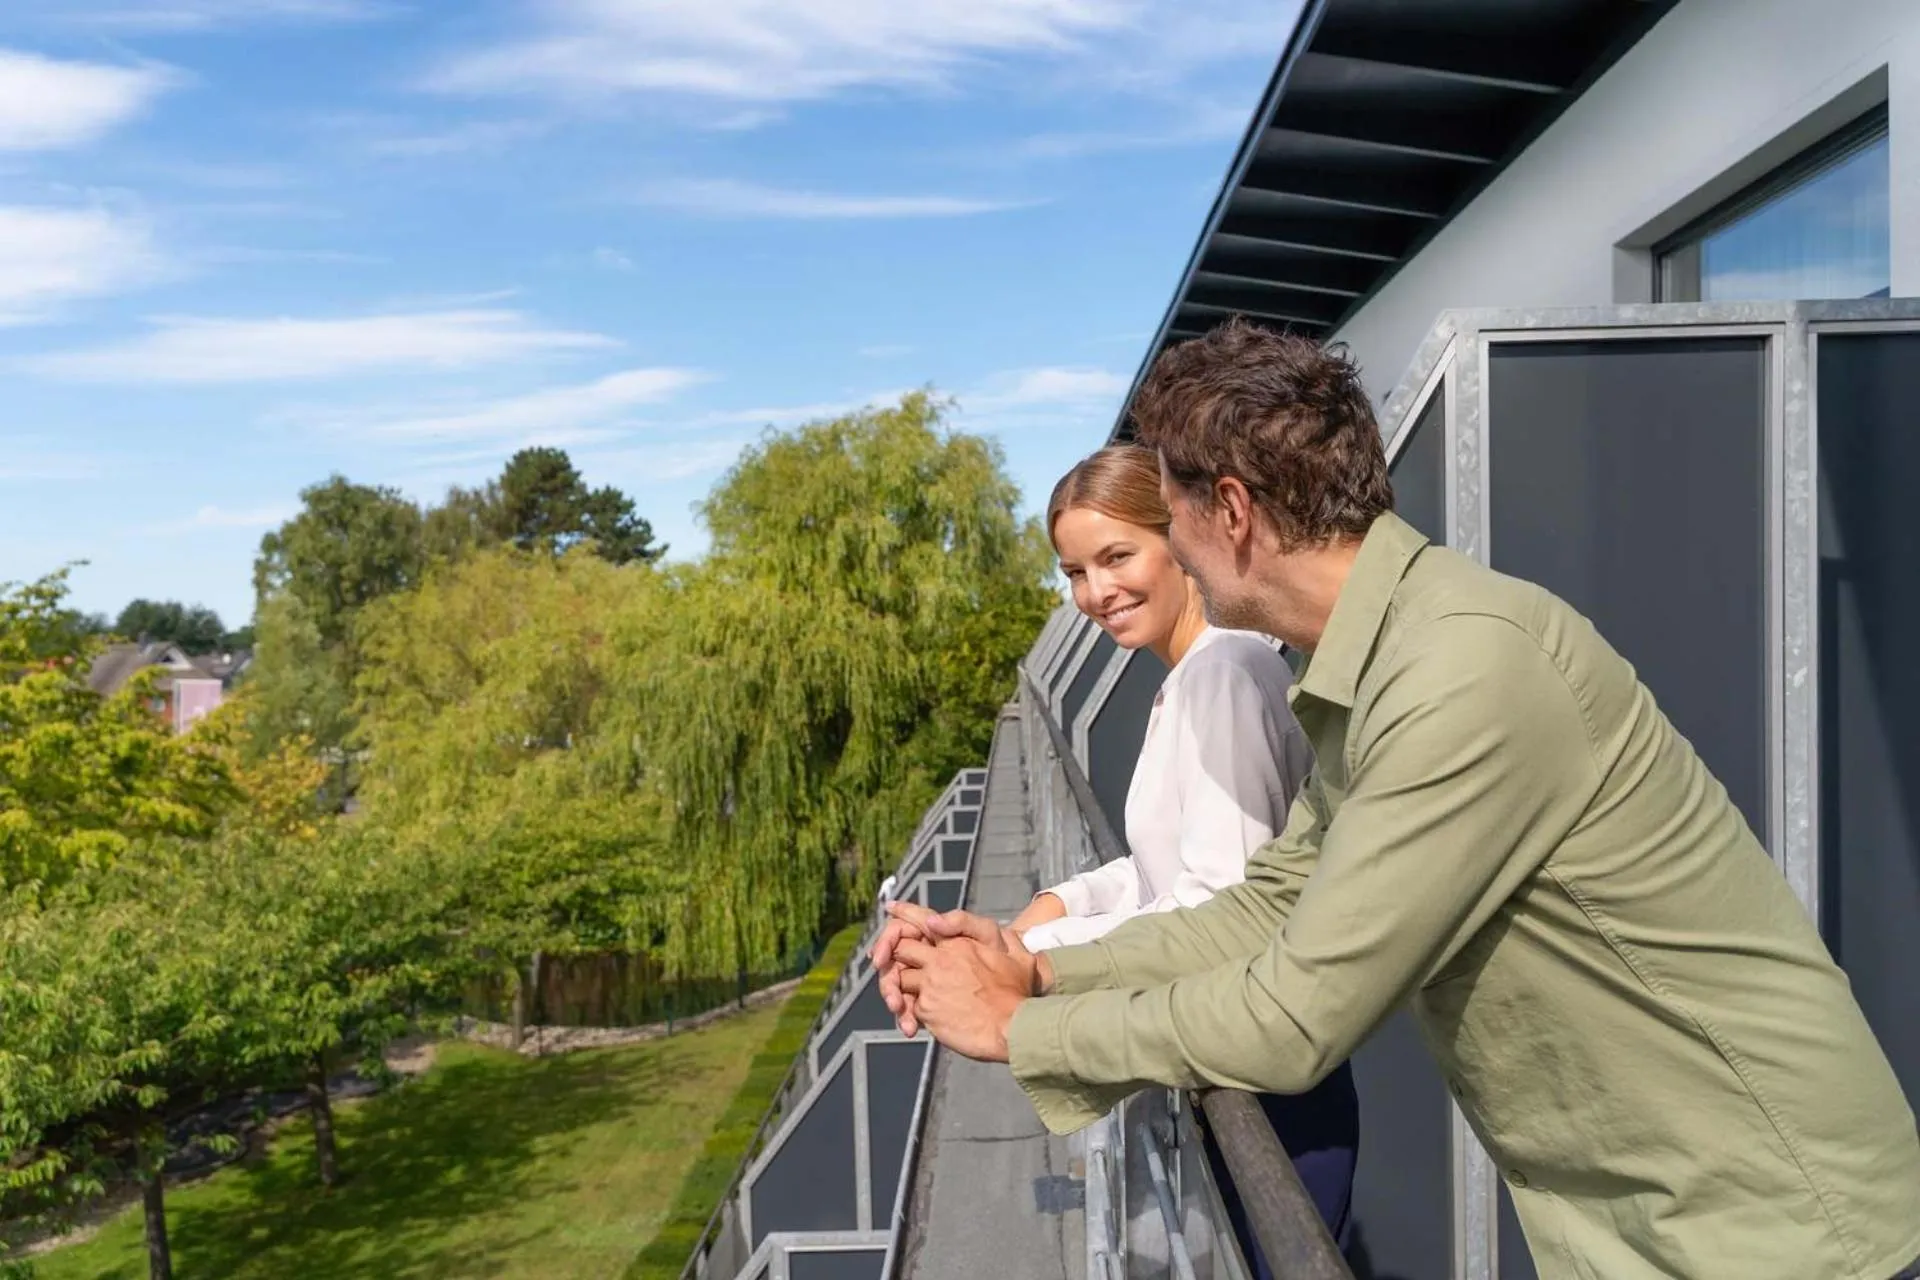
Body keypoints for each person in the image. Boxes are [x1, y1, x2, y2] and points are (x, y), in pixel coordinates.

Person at [874, 318, 1920, 1280]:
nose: (1173, 547)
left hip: (1773, 1224)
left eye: (1173, 513)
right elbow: (1266, 902)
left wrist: (1020, 1031)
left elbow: (1295, 1012)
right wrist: (1039, 967)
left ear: (1229, 509)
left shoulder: (1460, 669)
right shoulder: (1366, 665)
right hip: (1655, 1212)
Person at [1011, 444, 1356, 1259]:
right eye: (1074, 572)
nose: (1096, 593)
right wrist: (1056, 909)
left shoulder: (1224, 675)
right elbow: (1160, 865)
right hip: (1245, 1057)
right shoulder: (1198, 674)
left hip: (1273, 1095)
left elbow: (1218, 904)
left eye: (1116, 556)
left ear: (1180, 539)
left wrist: (1027, 956)